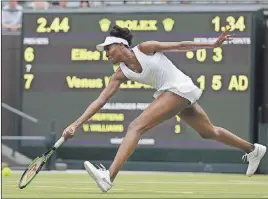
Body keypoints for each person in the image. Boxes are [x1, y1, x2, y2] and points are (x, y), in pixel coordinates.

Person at [62, 25, 266, 192]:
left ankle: (109, 176)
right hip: (174, 93)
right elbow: (100, 100)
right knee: (209, 132)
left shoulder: (145, 48)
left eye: (107, 49)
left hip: (179, 88)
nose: (105, 53)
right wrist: (75, 124)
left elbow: (180, 45)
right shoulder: (120, 74)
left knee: (135, 126)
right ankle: (253, 149)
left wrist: (212, 44)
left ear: (121, 44)